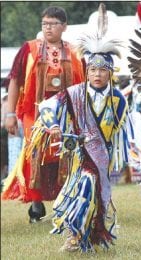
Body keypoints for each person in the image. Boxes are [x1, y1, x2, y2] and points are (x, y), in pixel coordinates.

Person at [27, 3, 131, 252]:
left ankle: (92, 233)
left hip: (102, 153)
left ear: (110, 73)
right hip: (80, 154)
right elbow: (48, 106)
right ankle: (74, 236)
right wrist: (53, 126)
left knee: (98, 193)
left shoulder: (118, 98)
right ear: (87, 72)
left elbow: (117, 130)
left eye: (102, 70)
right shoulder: (74, 93)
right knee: (82, 188)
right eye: (92, 69)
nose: (97, 75)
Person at [2, 6, 85, 223]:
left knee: (64, 153)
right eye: (45, 24)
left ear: (64, 27)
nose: (48, 28)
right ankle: (36, 205)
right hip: (35, 113)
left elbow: (84, 87)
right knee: (36, 153)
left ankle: (65, 201)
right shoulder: (29, 49)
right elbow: (15, 80)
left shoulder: (76, 52)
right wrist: (10, 113)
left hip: (66, 114)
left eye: (53, 24)